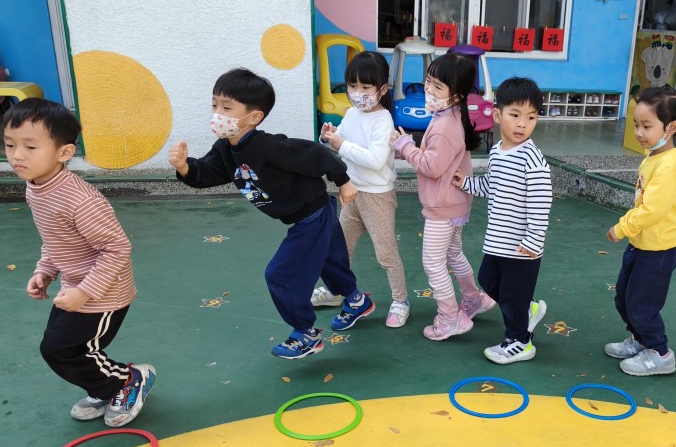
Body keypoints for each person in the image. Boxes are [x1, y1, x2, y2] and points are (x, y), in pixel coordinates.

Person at [168, 68, 374, 360]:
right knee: (330, 262)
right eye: (215, 105)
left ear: (254, 117)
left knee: (281, 274)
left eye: (227, 108)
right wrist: (184, 167)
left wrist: (344, 181)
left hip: (311, 214)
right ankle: (356, 301)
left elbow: (315, 154)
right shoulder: (226, 148)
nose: (217, 114)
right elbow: (207, 173)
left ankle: (306, 333)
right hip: (308, 212)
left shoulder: (269, 147)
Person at [3, 98, 155, 426]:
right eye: (10, 145)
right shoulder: (36, 188)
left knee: (62, 349)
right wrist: (45, 270)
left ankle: (128, 381)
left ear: (64, 152)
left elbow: (117, 249)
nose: (17, 155)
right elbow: (55, 237)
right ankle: (103, 388)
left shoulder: (80, 200)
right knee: (61, 346)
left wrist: (85, 292)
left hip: (104, 293)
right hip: (75, 285)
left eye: (30, 146)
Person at [605, 85, 676, 376]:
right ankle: (641, 340)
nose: (639, 132)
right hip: (643, 244)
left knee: (642, 305)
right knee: (623, 297)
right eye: (636, 125)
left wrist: (622, 228)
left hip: (660, 249)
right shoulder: (653, 157)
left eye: (646, 126)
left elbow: (652, 210)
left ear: (671, 127)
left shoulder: (669, 166)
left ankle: (660, 353)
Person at [391, 53, 492, 340]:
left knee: (433, 263)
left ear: (456, 95)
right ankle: (473, 299)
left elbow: (431, 167)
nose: (429, 90)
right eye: (428, 82)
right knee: (453, 254)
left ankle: (450, 318)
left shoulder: (445, 125)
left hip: (443, 206)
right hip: (455, 202)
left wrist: (406, 146)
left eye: (438, 86)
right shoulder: (451, 115)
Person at [454, 77, 552, 364]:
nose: (522, 124)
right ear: (497, 115)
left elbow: (541, 202)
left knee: (511, 295)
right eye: (515, 115)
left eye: (531, 117)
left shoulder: (532, 159)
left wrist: (533, 239)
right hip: (498, 240)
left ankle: (520, 341)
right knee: (487, 279)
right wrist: (467, 184)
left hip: (522, 247)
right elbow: (492, 185)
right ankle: (527, 309)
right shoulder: (497, 151)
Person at [313, 51, 410, 328]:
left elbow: (375, 159)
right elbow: (341, 140)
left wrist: (340, 144)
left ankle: (401, 300)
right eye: (352, 86)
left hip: (377, 197)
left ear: (382, 89)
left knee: (386, 253)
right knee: (339, 250)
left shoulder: (383, 120)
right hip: (351, 192)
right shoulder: (353, 113)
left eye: (366, 87)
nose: (358, 93)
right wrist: (328, 136)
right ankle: (335, 291)